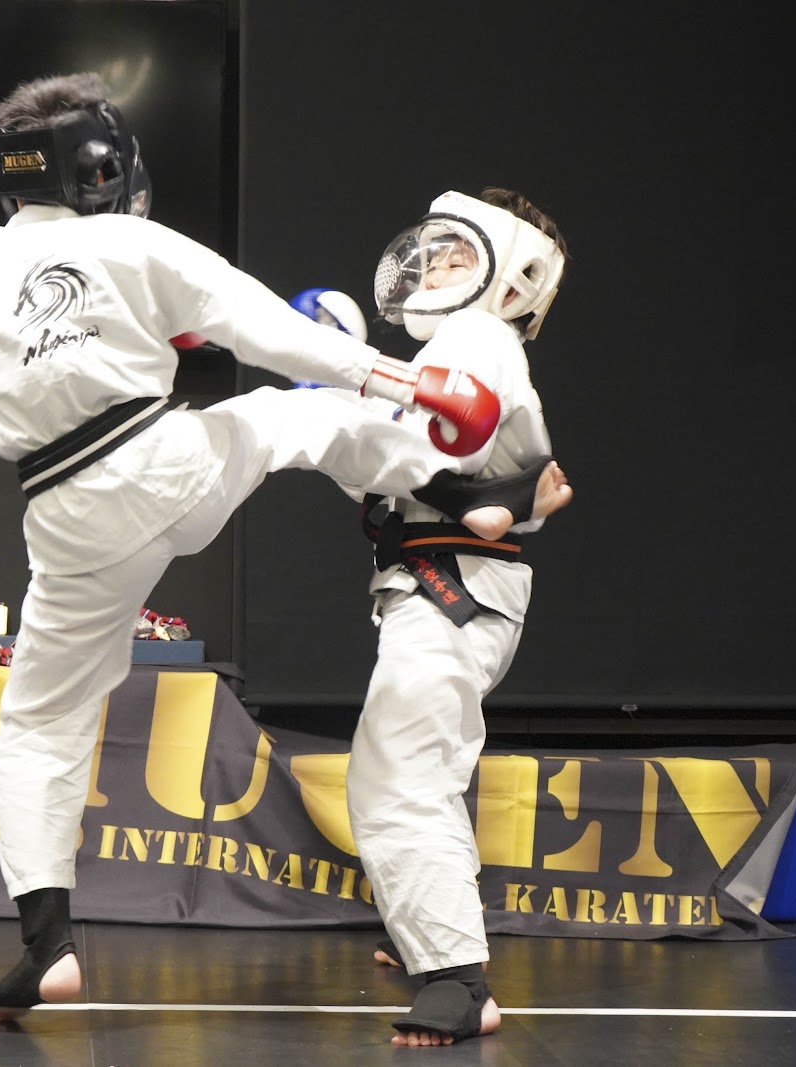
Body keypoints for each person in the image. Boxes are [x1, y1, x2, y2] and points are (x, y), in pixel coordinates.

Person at [0, 73, 571, 1020]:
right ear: (105, 166)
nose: (437, 264)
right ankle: (475, 496)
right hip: (161, 468)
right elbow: (267, 330)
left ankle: (45, 941)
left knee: (38, 718)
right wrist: (405, 384)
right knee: (295, 414)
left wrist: (68, 363)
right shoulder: (134, 241)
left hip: (62, 510)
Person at [334, 187, 571, 1046]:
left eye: (459, 254)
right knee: (426, 764)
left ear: (511, 281)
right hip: (445, 579)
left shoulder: (479, 338)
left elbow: (420, 452)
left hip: (453, 582)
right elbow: (379, 468)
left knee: (398, 769)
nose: (435, 265)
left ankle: (458, 980)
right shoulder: (458, 351)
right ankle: (428, 929)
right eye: (433, 250)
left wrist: (344, 400)